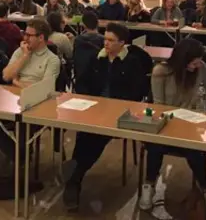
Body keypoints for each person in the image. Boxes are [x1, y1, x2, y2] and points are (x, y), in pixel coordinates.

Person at [62, 22, 150, 210]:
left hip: (118, 112)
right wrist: (89, 100)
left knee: (94, 136)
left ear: (122, 43)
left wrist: (114, 105)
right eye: (105, 39)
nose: (106, 44)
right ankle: (75, 176)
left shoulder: (132, 62)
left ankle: (74, 177)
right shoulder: (97, 58)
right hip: (94, 108)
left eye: (111, 40)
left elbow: (137, 92)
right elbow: (82, 82)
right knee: (86, 133)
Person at [143, 38, 206, 219]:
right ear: (181, 61)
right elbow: (158, 105)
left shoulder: (202, 68)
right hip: (167, 122)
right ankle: (149, 184)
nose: (197, 64)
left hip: (192, 123)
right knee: (155, 145)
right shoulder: (160, 72)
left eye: (199, 60)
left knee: (195, 151)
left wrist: (202, 98)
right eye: (193, 61)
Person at [0, 19, 60, 167]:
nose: (25, 38)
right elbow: (6, 75)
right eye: (25, 34)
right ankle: (18, 155)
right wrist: (24, 57)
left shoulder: (52, 59)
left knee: (23, 124)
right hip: (13, 100)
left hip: (37, 105)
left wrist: (16, 82)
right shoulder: (20, 51)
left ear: (41, 37)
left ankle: (20, 162)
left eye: (29, 35)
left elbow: (43, 88)